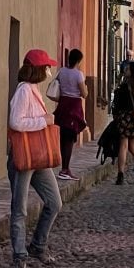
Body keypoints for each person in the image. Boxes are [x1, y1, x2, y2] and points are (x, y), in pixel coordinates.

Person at [8, 49, 63, 268]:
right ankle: (19, 258)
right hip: (24, 157)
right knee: (19, 209)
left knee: (54, 202)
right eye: (46, 67)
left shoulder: (34, 90)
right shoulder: (23, 91)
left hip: (38, 156)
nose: (48, 71)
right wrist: (44, 120)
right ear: (38, 69)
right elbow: (16, 123)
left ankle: (38, 245)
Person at [54, 48, 88, 181]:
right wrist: (86, 90)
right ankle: (65, 169)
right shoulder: (78, 75)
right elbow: (84, 94)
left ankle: (64, 167)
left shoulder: (61, 71)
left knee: (63, 137)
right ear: (79, 60)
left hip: (62, 105)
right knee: (69, 138)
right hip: (73, 107)